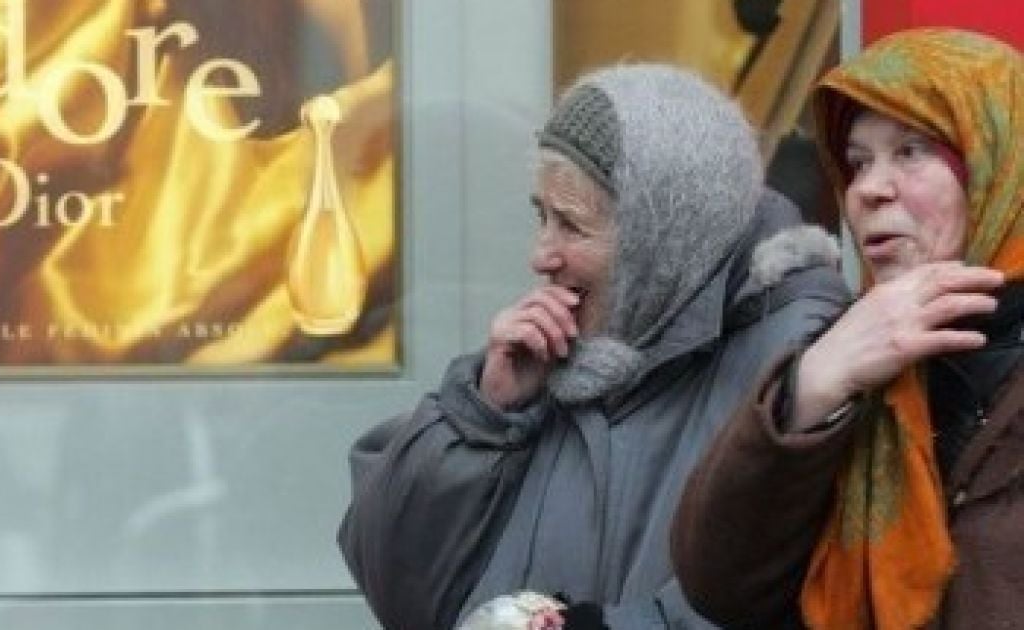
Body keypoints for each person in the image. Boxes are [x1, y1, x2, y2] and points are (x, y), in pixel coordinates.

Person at [337, 62, 849, 629]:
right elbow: (398, 588)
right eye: (542, 216)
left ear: (662, 239)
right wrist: (481, 417)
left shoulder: (795, 365)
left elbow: (773, 600)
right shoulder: (555, 360)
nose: (541, 255)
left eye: (572, 225)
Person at [672, 28, 1024, 629]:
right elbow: (719, 585)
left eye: (911, 151)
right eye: (857, 163)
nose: (868, 190)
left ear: (998, 165)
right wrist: (811, 388)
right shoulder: (850, 355)